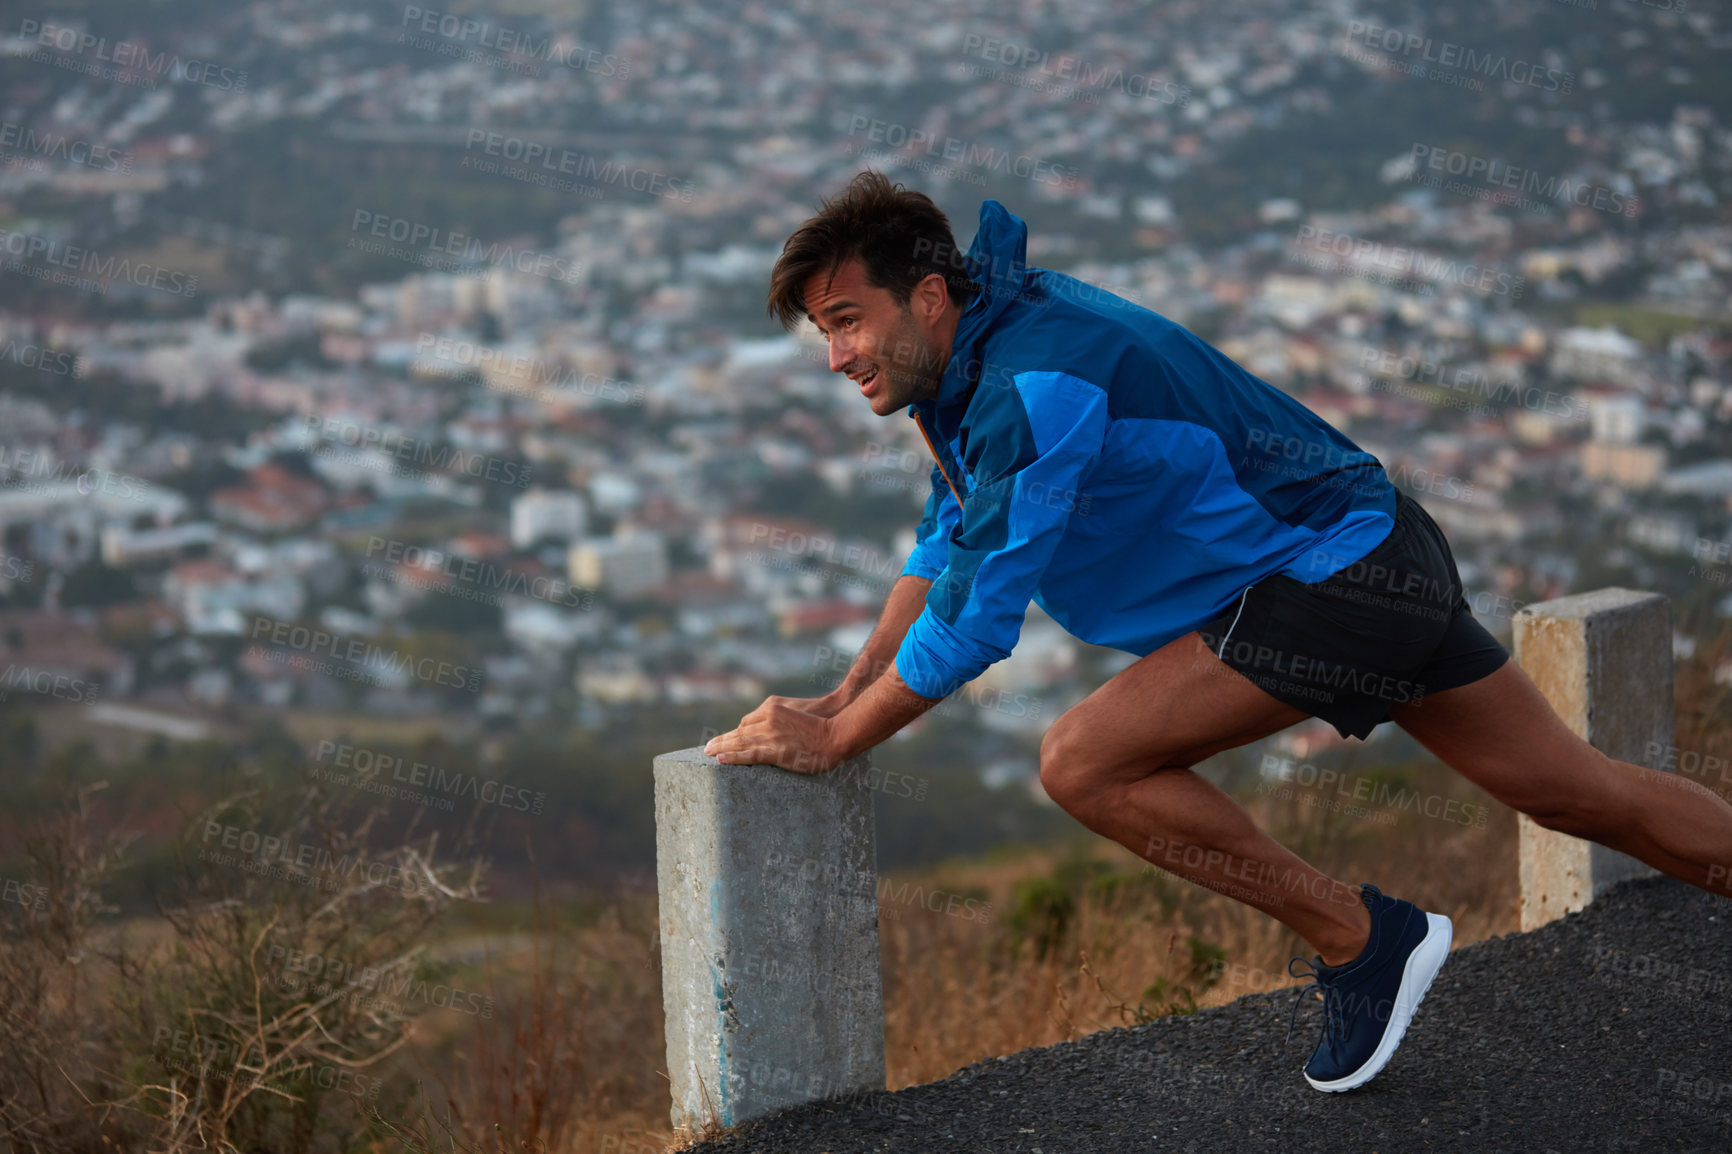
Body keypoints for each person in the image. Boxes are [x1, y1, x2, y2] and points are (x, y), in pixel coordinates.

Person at [701, 169, 1732, 1092]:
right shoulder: (980, 347)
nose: (835, 355)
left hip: (1334, 579)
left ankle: (1363, 941)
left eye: (847, 320)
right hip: (1374, 552)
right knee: (1577, 792)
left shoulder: (1031, 383)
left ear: (926, 293)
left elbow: (975, 618)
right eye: (821, 331)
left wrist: (840, 739)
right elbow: (948, 536)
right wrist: (845, 688)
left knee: (1082, 762)